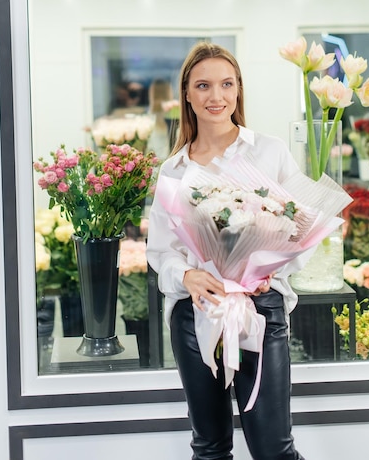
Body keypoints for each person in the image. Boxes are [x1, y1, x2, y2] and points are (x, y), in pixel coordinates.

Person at [146, 42, 306, 460]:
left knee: (274, 449)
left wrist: (273, 272)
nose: (216, 97)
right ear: (187, 94)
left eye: (226, 84)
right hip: (194, 313)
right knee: (210, 448)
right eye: (203, 85)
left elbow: (301, 230)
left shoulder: (269, 152)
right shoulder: (174, 170)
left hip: (260, 310)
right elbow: (161, 252)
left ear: (238, 91)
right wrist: (186, 275)